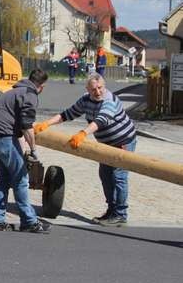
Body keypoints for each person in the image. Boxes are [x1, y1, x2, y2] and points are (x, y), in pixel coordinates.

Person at [34, 73, 137, 227]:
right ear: (88, 89)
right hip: (105, 144)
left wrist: (83, 133)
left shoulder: (110, 100)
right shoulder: (86, 100)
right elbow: (68, 114)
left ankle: (120, 214)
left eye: (100, 87)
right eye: (93, 89)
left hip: (123, 141)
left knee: (118, 176)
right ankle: (111, 210)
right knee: (105, 175)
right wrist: (47, 123)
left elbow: (100, 120)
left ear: (104, 86)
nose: (98, 92)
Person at [0, 68, 51, 233]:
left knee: (5, 177)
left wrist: (23, 146)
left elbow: (17, 124)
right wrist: (34, 149)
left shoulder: (15, 91)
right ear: (42, 86)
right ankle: (29, 221)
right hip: (2, 136)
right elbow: (27, 126)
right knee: (20, 178)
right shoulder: (30, 95)